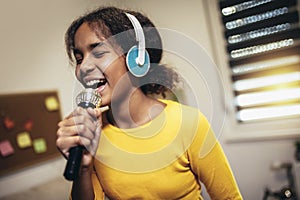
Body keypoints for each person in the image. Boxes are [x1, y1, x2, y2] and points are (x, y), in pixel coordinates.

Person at [56, 6, 243, 200]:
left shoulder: (189, 123)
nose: (83, 67)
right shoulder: (93, 133)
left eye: (99, 53)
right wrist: (83, 169)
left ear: (136, 59)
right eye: (79, 58)